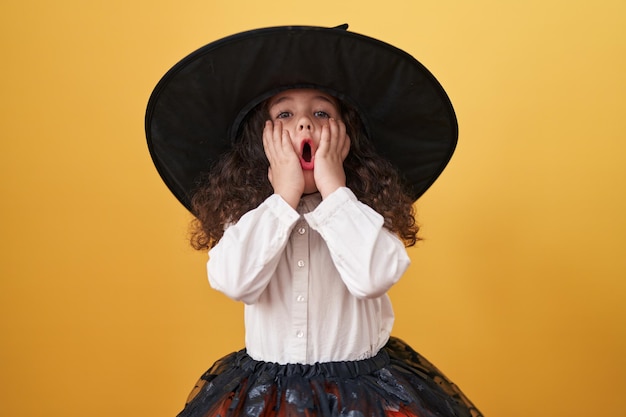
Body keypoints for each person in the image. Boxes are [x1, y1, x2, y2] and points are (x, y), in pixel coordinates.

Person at [146, 24, 483, 417]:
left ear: (345, 137)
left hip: (364, 395)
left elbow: (373, 277)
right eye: (285, 113)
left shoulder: (362, 212)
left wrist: (333, 188)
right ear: (263, 141)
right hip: (269, 397)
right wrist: (283, 197)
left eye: (321, 112)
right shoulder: (248, 217)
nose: (304, 123)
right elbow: (234, 281)